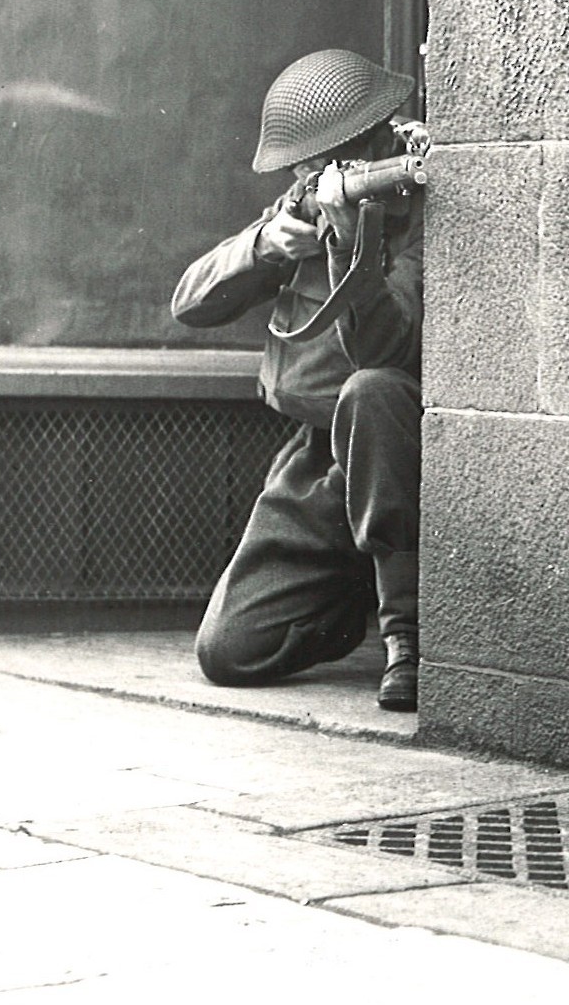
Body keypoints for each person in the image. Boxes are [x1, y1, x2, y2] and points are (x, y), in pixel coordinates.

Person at [172, 49, 424, 711]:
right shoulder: (302, 211)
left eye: (323, 166)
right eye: (305, 170)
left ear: (373, 141)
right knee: (231, 650)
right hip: (320, 462)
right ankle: (353, 595)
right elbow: (190, 302)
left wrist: (352, 246)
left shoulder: (420, 215)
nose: (312, 181)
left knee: (370, 391)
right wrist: (265, 247)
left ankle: (407, 638)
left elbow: (386, 349)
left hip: (395, 453)